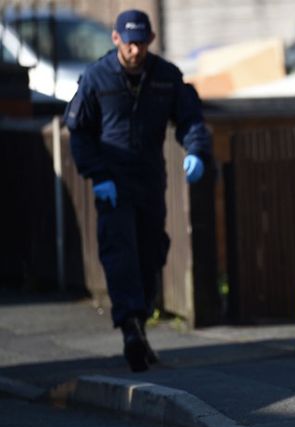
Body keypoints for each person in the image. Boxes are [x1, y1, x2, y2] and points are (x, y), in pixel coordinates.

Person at [64, 9, 212, 373]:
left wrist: (196, 150)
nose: (135, 50)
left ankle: (139, 322)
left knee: (151, 252)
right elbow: (79, 130)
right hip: (112, 181)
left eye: (141, 42)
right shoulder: (97, 78)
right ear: (116, 39)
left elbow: (190, 117)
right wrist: (97, 175)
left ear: (150, 41)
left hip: (150, 178)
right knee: (120, 252)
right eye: (129, 42)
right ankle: (130, 325)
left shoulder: (165, 76)